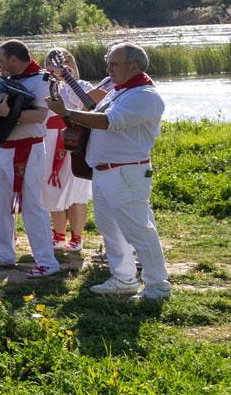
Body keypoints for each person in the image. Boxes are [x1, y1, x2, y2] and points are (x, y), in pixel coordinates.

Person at [50, 41, 169, 300]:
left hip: (126, 172)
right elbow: (95, 112)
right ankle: (123, 278)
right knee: (111, 229)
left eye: (114, 63)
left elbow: (108, 121)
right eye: (109, 63)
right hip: (105, 171)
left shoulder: (144, 95)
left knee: (138, 229)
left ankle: (157, 286)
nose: (109, 68)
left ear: (134, 66)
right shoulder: (121, 90)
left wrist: (66, 112)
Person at [0, 41, 61, 277]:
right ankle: (4, 254)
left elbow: (40, 115)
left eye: (2, 60)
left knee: (32, 205)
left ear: (14, 59)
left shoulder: (44, 80)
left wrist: (7, 113)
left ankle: (47, 261)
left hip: (28, 149)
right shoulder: (6, 80)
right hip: (1, 147)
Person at [40, 48, 93, 255]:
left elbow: (87, 106)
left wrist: (68, 80)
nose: (53, 68)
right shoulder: (43, 85)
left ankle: (77, 237)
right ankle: (59, 235)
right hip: (49, 141)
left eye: (58, 64)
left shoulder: (81, 86)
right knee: (52, 188)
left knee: (76, 192)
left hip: (74, 142)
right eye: (49, 63)